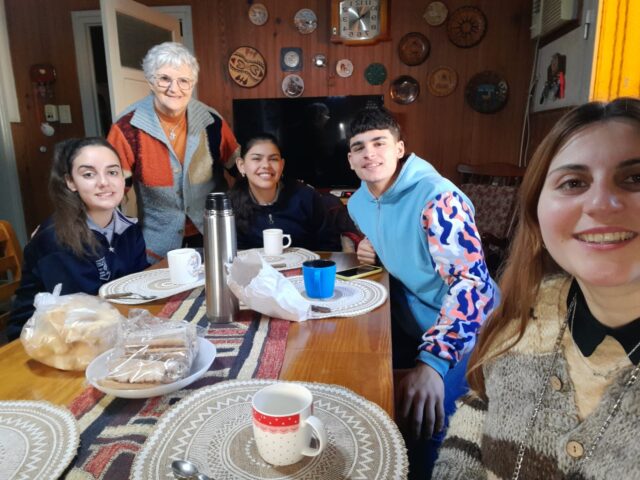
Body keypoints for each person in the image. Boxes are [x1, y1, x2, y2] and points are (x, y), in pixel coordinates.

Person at [433, 97, 640, 479]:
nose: (601, 204)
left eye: (635, 178)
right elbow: (480, 410)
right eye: (574, 183)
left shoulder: (436, 199)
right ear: (537, 213)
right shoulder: (525, 313)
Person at [346, 107, 498, 477]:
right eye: (359, 147)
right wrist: (372, 247)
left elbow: (472, 286)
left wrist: (433, 363)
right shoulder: (358, 203)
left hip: (474, 325)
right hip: (415, 313)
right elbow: (397, 233)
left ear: (400, 149)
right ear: (350, 160)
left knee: (427, 417)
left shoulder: (438, 199)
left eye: (379, 143)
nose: (370, 153)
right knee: (361, 380)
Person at [107, 41, 240, 263]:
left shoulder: (211, 121)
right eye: (164, 79)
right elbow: (111, 192)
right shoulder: (127, 128)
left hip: (214, 236)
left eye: (183, 81)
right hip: (157, 244)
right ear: (150, 81)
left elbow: (241, 170)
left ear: (193, 84)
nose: (174, 89)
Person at [8, 138, 148, 341]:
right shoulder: (56, 240)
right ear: (70, 182)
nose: (104, 182)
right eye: (89, 174)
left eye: (112, 172)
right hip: (41, 340)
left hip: (110, 326)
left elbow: (138, 286)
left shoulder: (129, 228)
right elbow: (77, 317)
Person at [229, 133, 360, 252]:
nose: (266, 165)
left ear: (282, 165)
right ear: (241, 165)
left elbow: (328, 248)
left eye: (273, 159)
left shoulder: (306, 197)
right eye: (257, 159)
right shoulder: (229, 206)